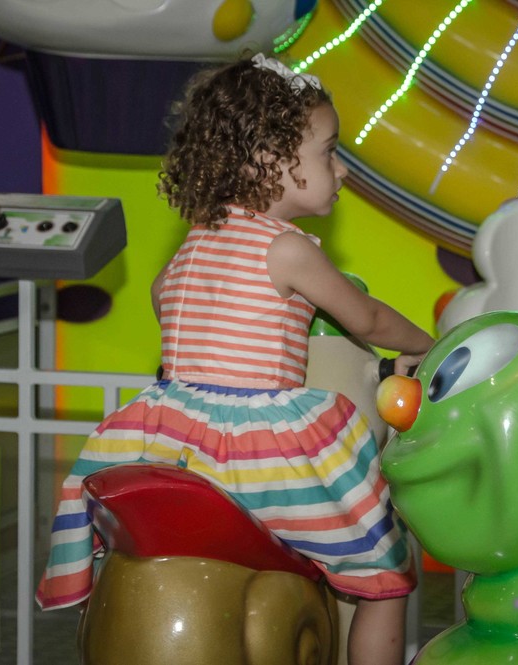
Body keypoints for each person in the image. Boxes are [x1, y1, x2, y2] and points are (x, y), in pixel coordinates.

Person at [36, 53, 434, 665]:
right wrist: (426, 347)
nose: (342, 169)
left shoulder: (191, 248)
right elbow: (367, 320)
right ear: (270, 161)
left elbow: (164, 304)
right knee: (385, 570)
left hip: (166, 440)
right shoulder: (288, 250)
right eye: (329, 152)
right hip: (262, 459)